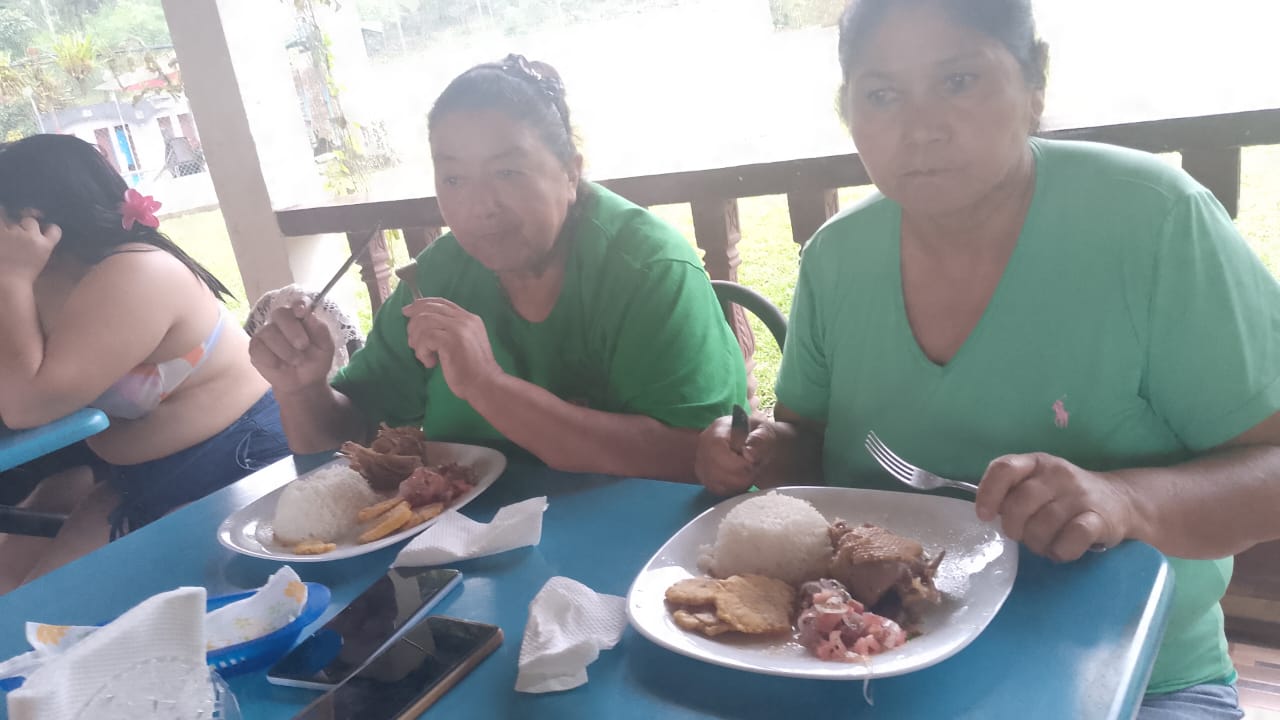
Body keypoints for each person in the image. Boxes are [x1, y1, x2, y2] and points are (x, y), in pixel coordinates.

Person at [695, 1, 1280, 716]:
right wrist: (760, 451)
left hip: (1133, 677)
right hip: (871, 664)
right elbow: (808, 445)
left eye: (959, 80)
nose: (922, 126)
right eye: (882, 94)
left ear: (1035, 83)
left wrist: (1126, 500)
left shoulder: (1155, 223)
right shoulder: (836, 258)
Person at [250, 55, 746, 483]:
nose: (479, 207)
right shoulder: (438, 277)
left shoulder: (647, 270)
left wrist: (488, 386)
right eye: (454, 179)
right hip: (471, 546)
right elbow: (344, 436)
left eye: (507, 172)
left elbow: (697, 460)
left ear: (570, 173)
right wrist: (302, 390)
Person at [0, 134, 290, 593]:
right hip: (137, 481)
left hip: (240, 463)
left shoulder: (136, 272)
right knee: (18, 599)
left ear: (31, 221)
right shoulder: (43, 282)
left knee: (49, 610)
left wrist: (11, 278)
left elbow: (25, 406)